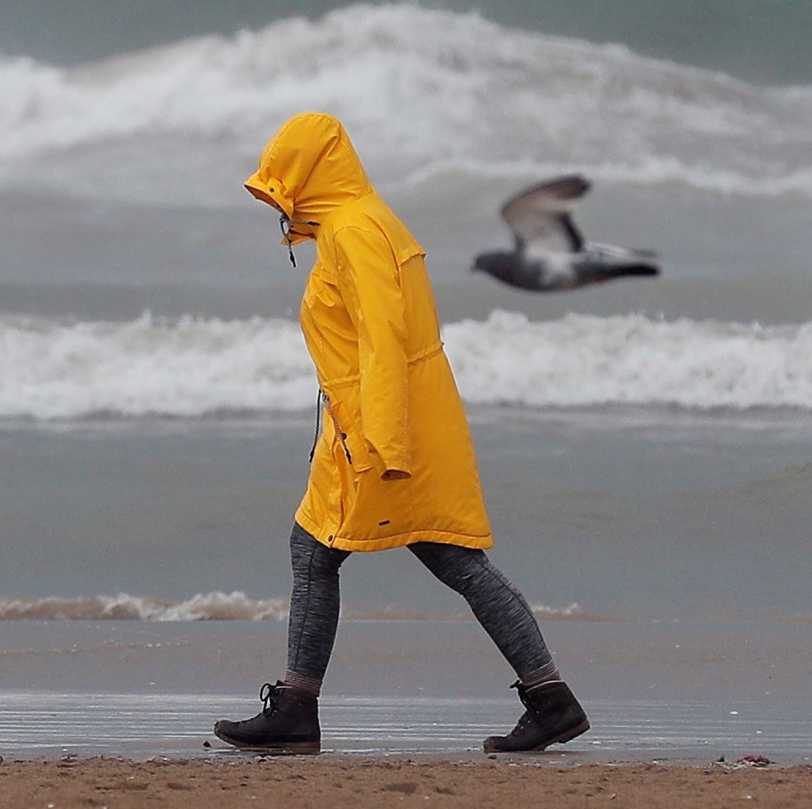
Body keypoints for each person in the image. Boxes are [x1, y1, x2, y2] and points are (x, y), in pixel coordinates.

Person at [213, 113, 589, 754]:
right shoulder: (356, 224)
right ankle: (548, 698)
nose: (279, 202)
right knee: (409, 556)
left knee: (383, 555)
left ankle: (300, 708)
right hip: (377, 422)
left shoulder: (356, 230)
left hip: (382, 428)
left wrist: (384, 441)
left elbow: (385, 340)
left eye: (285, 183)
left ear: (310, 172)